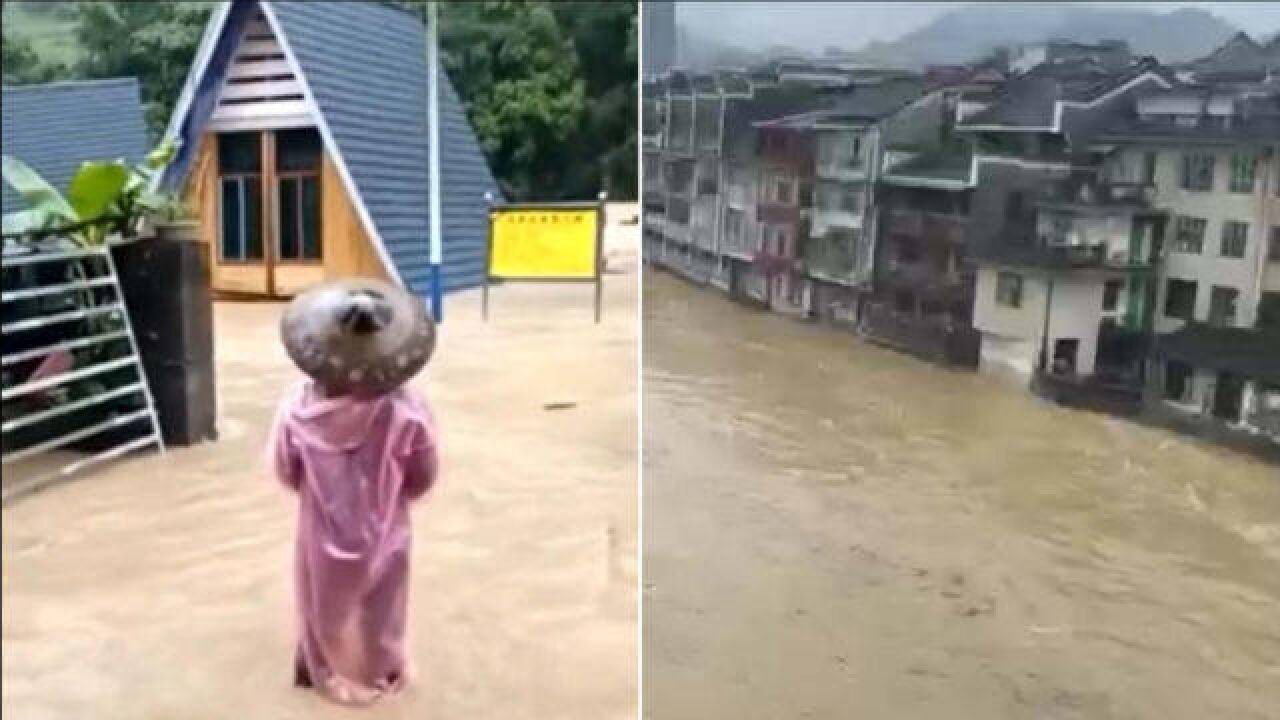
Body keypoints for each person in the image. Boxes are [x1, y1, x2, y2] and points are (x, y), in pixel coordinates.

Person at [269, 278, 439, 705]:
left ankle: (320, 667)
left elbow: (285, 470)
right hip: (386, 522)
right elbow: (423, 476)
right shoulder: (409, 411)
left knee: (321, 600)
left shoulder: (297, 410)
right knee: (384, 604)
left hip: (321, 525)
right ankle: (381, 671)